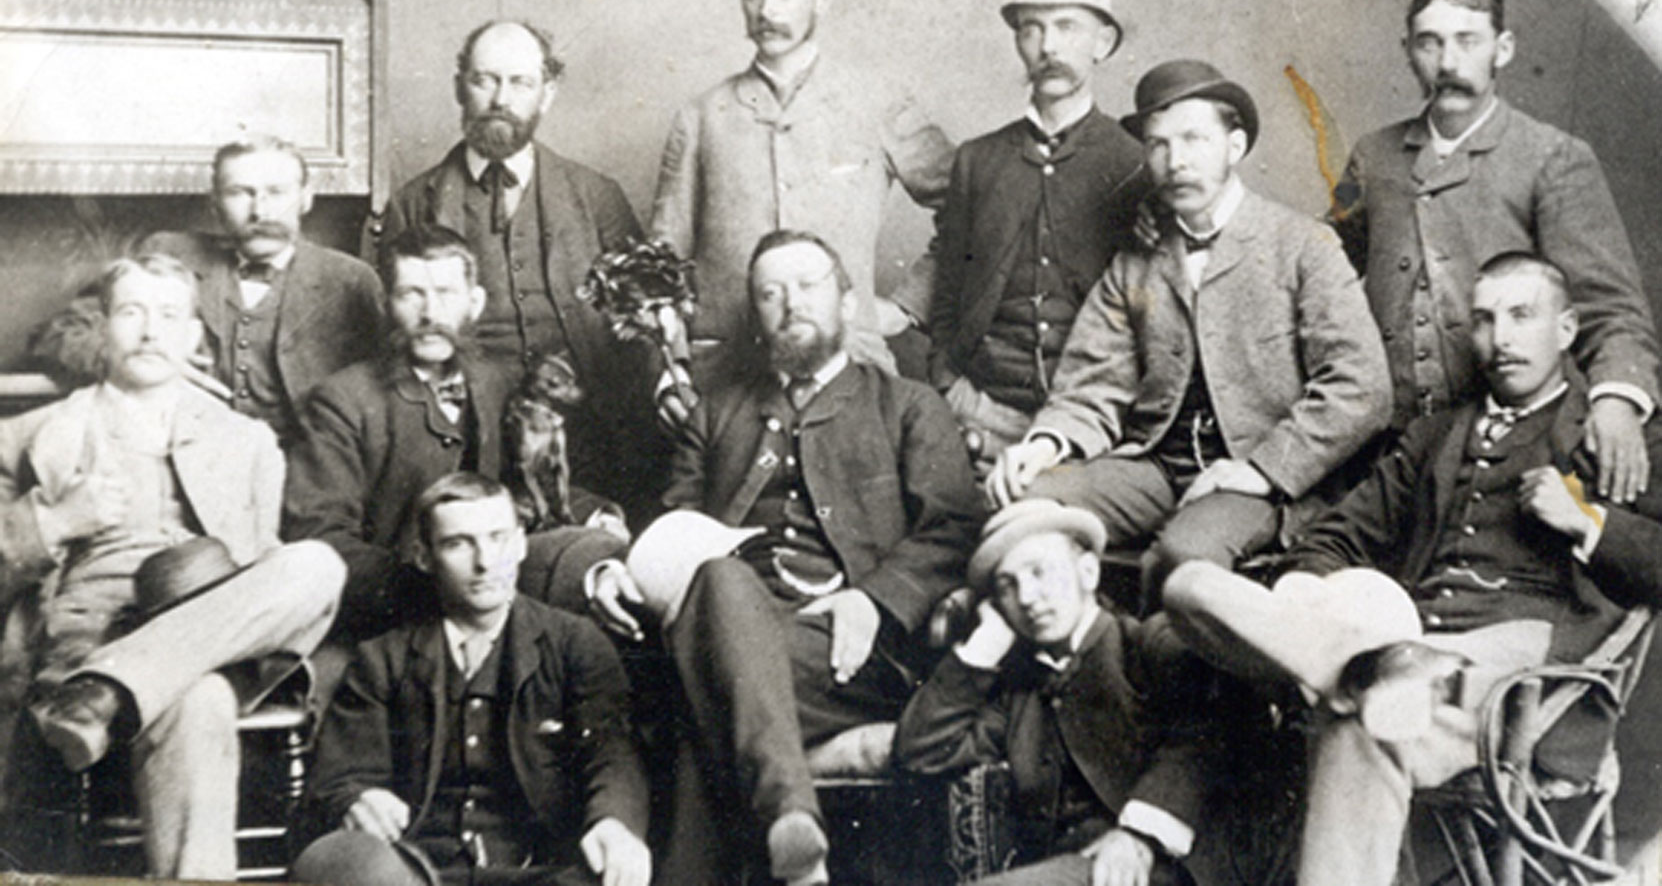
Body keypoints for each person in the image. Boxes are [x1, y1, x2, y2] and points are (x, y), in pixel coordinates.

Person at [1161, 253, 1662, 886]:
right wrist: (1305, 599)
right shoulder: (1435, 436)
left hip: (1526, 657)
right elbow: (1339, 533)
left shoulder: (1614, 434)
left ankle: (1370, 672)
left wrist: (1587, 521)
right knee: (1188, 585)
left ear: (1566, 330)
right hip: (1408, 648)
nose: (1500, 338)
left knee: (1364, 721)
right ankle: (1364, 665)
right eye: (1483, 320)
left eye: (1521, 316)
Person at [585, 230, 981, 884]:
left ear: (848, 304)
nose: (790, 304)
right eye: (770, 294)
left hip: (848, 651)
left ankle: (777, 823)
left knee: (695, 706)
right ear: (756, 315)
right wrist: (623, 568)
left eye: (807, 286)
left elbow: (953, 530)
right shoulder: (716, 413)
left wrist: (872, 599)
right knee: (718, 579)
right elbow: (675, 529)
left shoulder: (907, 405)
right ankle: (788, 816)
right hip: (729, 618)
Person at [986, 59, 1391, 604]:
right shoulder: (1138, 259)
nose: (1176, 162)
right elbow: (1093, 382)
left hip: (1259, 475)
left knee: (1181, 559)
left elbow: (1361, 386)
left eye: (1194, 139)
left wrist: (1261, 470)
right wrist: (1046, 440)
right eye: (1158, 145)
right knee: (1025, 503)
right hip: (1154, 463)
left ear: (1236, 145)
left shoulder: (1302, 246)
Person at [1, 254, 345, 878]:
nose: (151, 331)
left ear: (192, 335)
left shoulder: (247, 441)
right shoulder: (32, 434)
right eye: (132, 312)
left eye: (169, 316)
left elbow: (266, 566)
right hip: (91, 633)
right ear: (101, 327)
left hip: (213, 625)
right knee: (201, 697)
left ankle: (107, 691)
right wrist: (56, 520)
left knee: (318, 564)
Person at [1330, 0, 1661, 505]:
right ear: (1407, 52)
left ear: (1502, 50)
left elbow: (1612, 307)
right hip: (1381, 448)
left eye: (1468, 41)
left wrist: (1618, 401)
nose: (1447, 64)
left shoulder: (1552, 157)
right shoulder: (1374, 157)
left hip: (1503, 447)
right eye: (1429, 42)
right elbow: (1318, 269)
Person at [292, 473, 650, 886]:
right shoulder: (382, 657)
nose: (484, 562)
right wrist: (357, 798)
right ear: (424, 556)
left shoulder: (575, 643)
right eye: (457, 543)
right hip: (418, 872)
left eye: (497, 538)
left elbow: (612, 752)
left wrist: (614, 822)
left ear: (519, 544)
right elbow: (343, 775)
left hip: (540, 872)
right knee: (345, 865)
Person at [284, 226, 625, 643]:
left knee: (604, 567)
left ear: (474, 303)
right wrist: (437, 583)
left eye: (446, 293)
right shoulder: (341, 401)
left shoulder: (501, 383)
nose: (430, 314)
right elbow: (319, 537)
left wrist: (595, 513)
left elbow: (530, 482)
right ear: (386, 303)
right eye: (412, 294)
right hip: (400, 611)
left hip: (495, 582)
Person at [649, 0, 954, 376]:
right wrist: (672, 368)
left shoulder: (878, 103)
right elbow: (660, 264)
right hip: (725, 378)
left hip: (850, 368)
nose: (767, 10)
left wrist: (910, 306)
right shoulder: (700, 117)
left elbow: (974, 208)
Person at [381, 20, 657, 510]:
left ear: (546, 94)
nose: (500, 99)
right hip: (464, 438)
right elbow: (393, 342)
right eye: (484, 80)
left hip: (588, 436)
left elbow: (641, 331)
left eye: (520, 83)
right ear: (458, 87)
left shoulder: (597, 198)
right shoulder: (411, 205)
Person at [895, 499, 1219, 886]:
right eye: (1007, 586)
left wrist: (1140, 835)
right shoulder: (1019, 691)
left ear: (1087, 572)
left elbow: (1208, 734)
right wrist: (984, 646)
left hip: (1167, 866)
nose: (1028, 597)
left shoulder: (1148, 645)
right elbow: (920, 752)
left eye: (1039, 572)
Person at [928, 0, 1150, 472]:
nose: (1048, 46)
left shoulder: (1137, 162)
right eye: (1031, 29)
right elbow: (947, 284)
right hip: (978, 416)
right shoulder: (978, 161)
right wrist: (947, 382)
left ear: (1103, 41)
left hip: (1098, 429)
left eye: (1067, 26)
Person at [36, 135, 384, 448]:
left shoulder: (350, 280)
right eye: (239, 193)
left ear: (306, 198)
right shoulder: (168, 254)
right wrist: (136, 361)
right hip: (182, 462)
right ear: (215, 203)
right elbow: (60, 333)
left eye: (276, 192)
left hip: (307, 476)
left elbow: (389, 387)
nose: (260, 211)